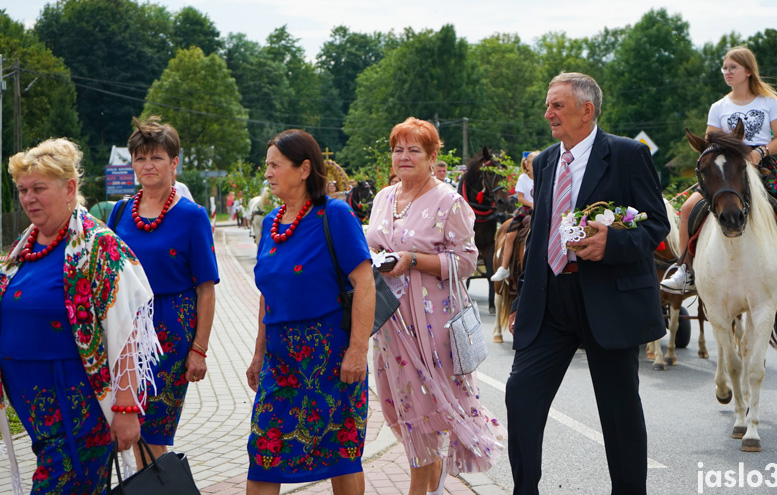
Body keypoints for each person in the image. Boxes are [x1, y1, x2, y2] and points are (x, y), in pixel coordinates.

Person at [505, 73, 669, 495]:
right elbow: (541, 233)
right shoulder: (544, 162)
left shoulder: (628, 155)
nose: (548, 114)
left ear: (586, 110)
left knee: (619, 415)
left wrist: (611, 243)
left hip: (608, 302)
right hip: (550, 300)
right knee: (520, 397)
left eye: (557, 106)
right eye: (548, 105)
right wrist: (523, 298)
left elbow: (655, 226)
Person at [0, 138, 160, 492]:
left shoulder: (97, 245)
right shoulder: (24, 246)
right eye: (23, 190)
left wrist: (126, 408)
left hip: (76, 402)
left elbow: (128, 328)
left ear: (69, 187)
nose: (28, 198)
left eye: (39, 188)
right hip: (35, 406)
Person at [366, 117, 505, 495]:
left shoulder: (449, 201)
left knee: (425, 412)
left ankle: (421, 489)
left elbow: (465, 262)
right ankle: (432, 481)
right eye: (398, 149)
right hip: (389, 322)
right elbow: (373, 245)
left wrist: (413, 259)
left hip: (431, 325)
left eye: (414, 150)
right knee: (400, 404)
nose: (404, 157)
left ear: (432, 157)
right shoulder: (383, 198)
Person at [245, 129, 374, 495]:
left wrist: (358, 349)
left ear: (303, 169)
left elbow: (364, 283)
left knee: (341, 452)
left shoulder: (334, 214)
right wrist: (258, 353)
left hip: (332, 358)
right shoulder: (270, 224)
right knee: (264, 453)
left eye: (275, 165)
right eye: (266, 165)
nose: (267, 173)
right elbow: (266, 294)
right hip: (280, 361)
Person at [108, 117, 219, 469]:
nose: (147, 166)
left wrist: (198, 350)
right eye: (140, 158)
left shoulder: (192, 216)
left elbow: (206, 289)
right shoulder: (121, 211)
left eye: (156, 158)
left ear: (174, 163)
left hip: (170, 337)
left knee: (152, 431)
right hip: (124, 334)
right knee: (128, 427)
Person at [661, 46, 777, 297]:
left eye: (733, 68)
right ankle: (685, 269)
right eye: (725, 68)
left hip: (761, 165)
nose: (727, 72)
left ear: (748, 71)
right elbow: (710, 140)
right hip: (726, 168)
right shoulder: (718, 106)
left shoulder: (769, 102)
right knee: (688, 209)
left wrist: (759, 153)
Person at [490, 151, 539, 281]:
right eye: (533, 164)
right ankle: (504, 267)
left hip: (542, 209)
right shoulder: (523, 178)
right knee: (510, 234)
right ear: (527, 165)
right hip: (527, 209)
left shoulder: (545, 177)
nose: (536, 166)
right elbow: (521, 198)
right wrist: (533, 204)